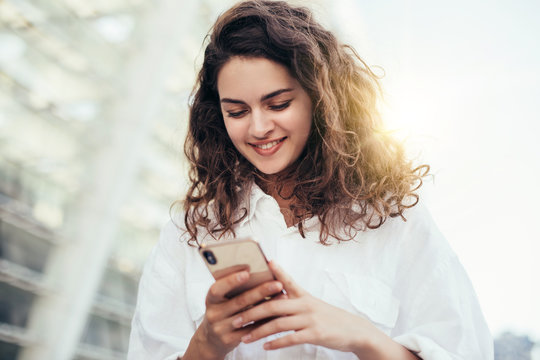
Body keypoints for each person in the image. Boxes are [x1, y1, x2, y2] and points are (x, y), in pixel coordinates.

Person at [127, 1, 493, 359]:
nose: (258, 128)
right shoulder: (190, 233)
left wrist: (362, 337)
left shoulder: (396, 223)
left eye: (278, 104)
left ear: (320, 99)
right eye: (237, 112)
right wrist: (207, 345)